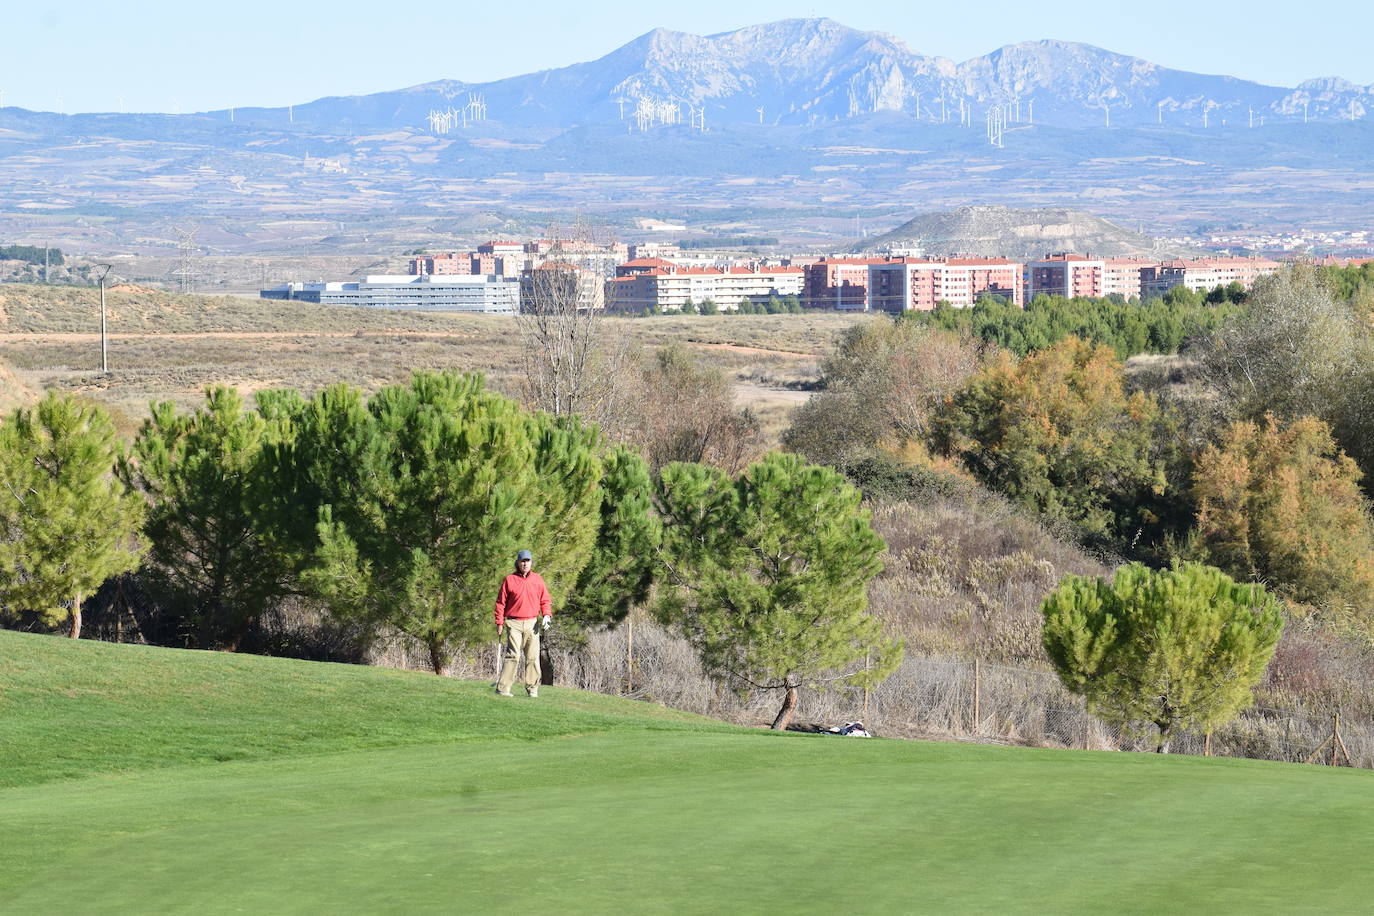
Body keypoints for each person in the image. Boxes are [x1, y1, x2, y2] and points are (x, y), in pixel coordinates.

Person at [494, 549, 551, 697]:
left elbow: (545, 600)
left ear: (531, 562)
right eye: (522, 561)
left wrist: (547, 615)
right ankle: (503, 688)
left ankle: (532, 689)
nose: (525, 564)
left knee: (532, 657)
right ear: (518, 563)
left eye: (527, 561)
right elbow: (501, 603)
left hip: (532, 624)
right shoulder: (509, 580)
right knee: (513, 656)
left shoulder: (537, 579)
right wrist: (499, 622)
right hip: (514, 623)